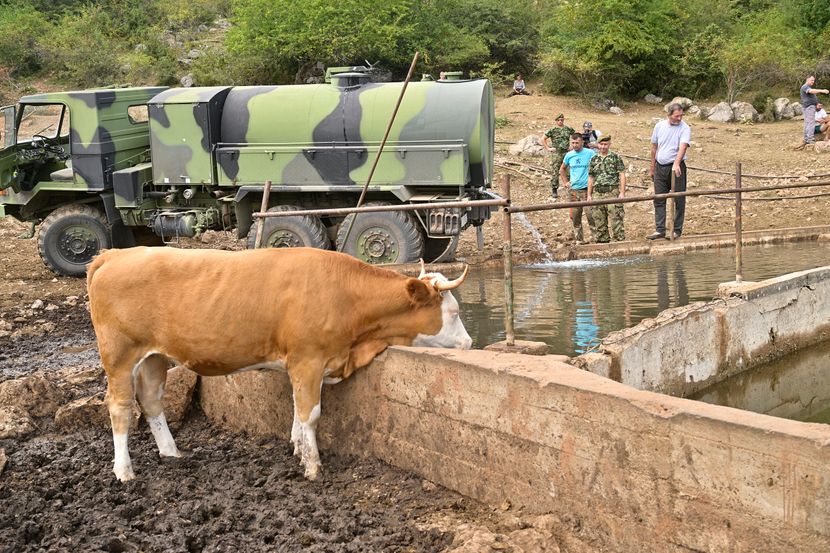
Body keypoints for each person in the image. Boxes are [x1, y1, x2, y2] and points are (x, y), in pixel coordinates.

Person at [648, 102, 691, 240]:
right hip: (660, 166)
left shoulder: (685, 128)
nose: (679, 118)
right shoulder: (659, 126)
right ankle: (660, 229)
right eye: (677, 116)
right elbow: (654, 147)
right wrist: (652, 167)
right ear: (669, 115)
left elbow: (683, 147)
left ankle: (677, 229)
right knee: (659, 198)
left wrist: (677, 163)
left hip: (676, 167)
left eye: (681, 116)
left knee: (679, 199)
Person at [587, 135, 626, 243]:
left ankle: (619, 242)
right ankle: (603, 242)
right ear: (598, 144)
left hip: (612, 191)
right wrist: (589, 195)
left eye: (606, 144)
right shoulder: (593, 159)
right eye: (601, 144)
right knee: (599, 221)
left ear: (609, 144)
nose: (603, 147)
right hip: (598, 193)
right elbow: (590, 177)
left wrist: (622, 193)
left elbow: (622, 174)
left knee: (616, 220)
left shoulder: (615, 157)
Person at [560, 133, 596, 243]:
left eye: (577, 143)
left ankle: (595, 238)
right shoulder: (569, 155)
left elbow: (597, 166)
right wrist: (566, 182)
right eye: (573, 143)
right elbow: (562, 169)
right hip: (574, 190)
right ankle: (579, 240)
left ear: (582, 142)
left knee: (591, 215)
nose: (575, 145)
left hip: (587, 189)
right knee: (576, 217)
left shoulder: (590, 153)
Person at [543, 113, 574, 199]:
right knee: (555, 171)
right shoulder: (553, 129)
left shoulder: (568, 129)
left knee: (568, 171)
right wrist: (548, 148)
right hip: (557, 153)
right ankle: (554, 190)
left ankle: (570, 189)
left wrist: (572, 146)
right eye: (559, 120)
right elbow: (543, 138)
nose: (560, 121)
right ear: (556, 121)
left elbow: (575, 136)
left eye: (562, 120)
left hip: (566, 153)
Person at [800, 75, 829, 145]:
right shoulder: (805, 86)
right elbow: (811, 91)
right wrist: (822, 90)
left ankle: (806, 138)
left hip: (810, 107)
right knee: (810, 123)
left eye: (813, 80)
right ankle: (810, 139)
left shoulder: (806, 87)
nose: (813, 81)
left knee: (807, 123)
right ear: (807, 80)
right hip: (809, 107)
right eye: (811, 80)